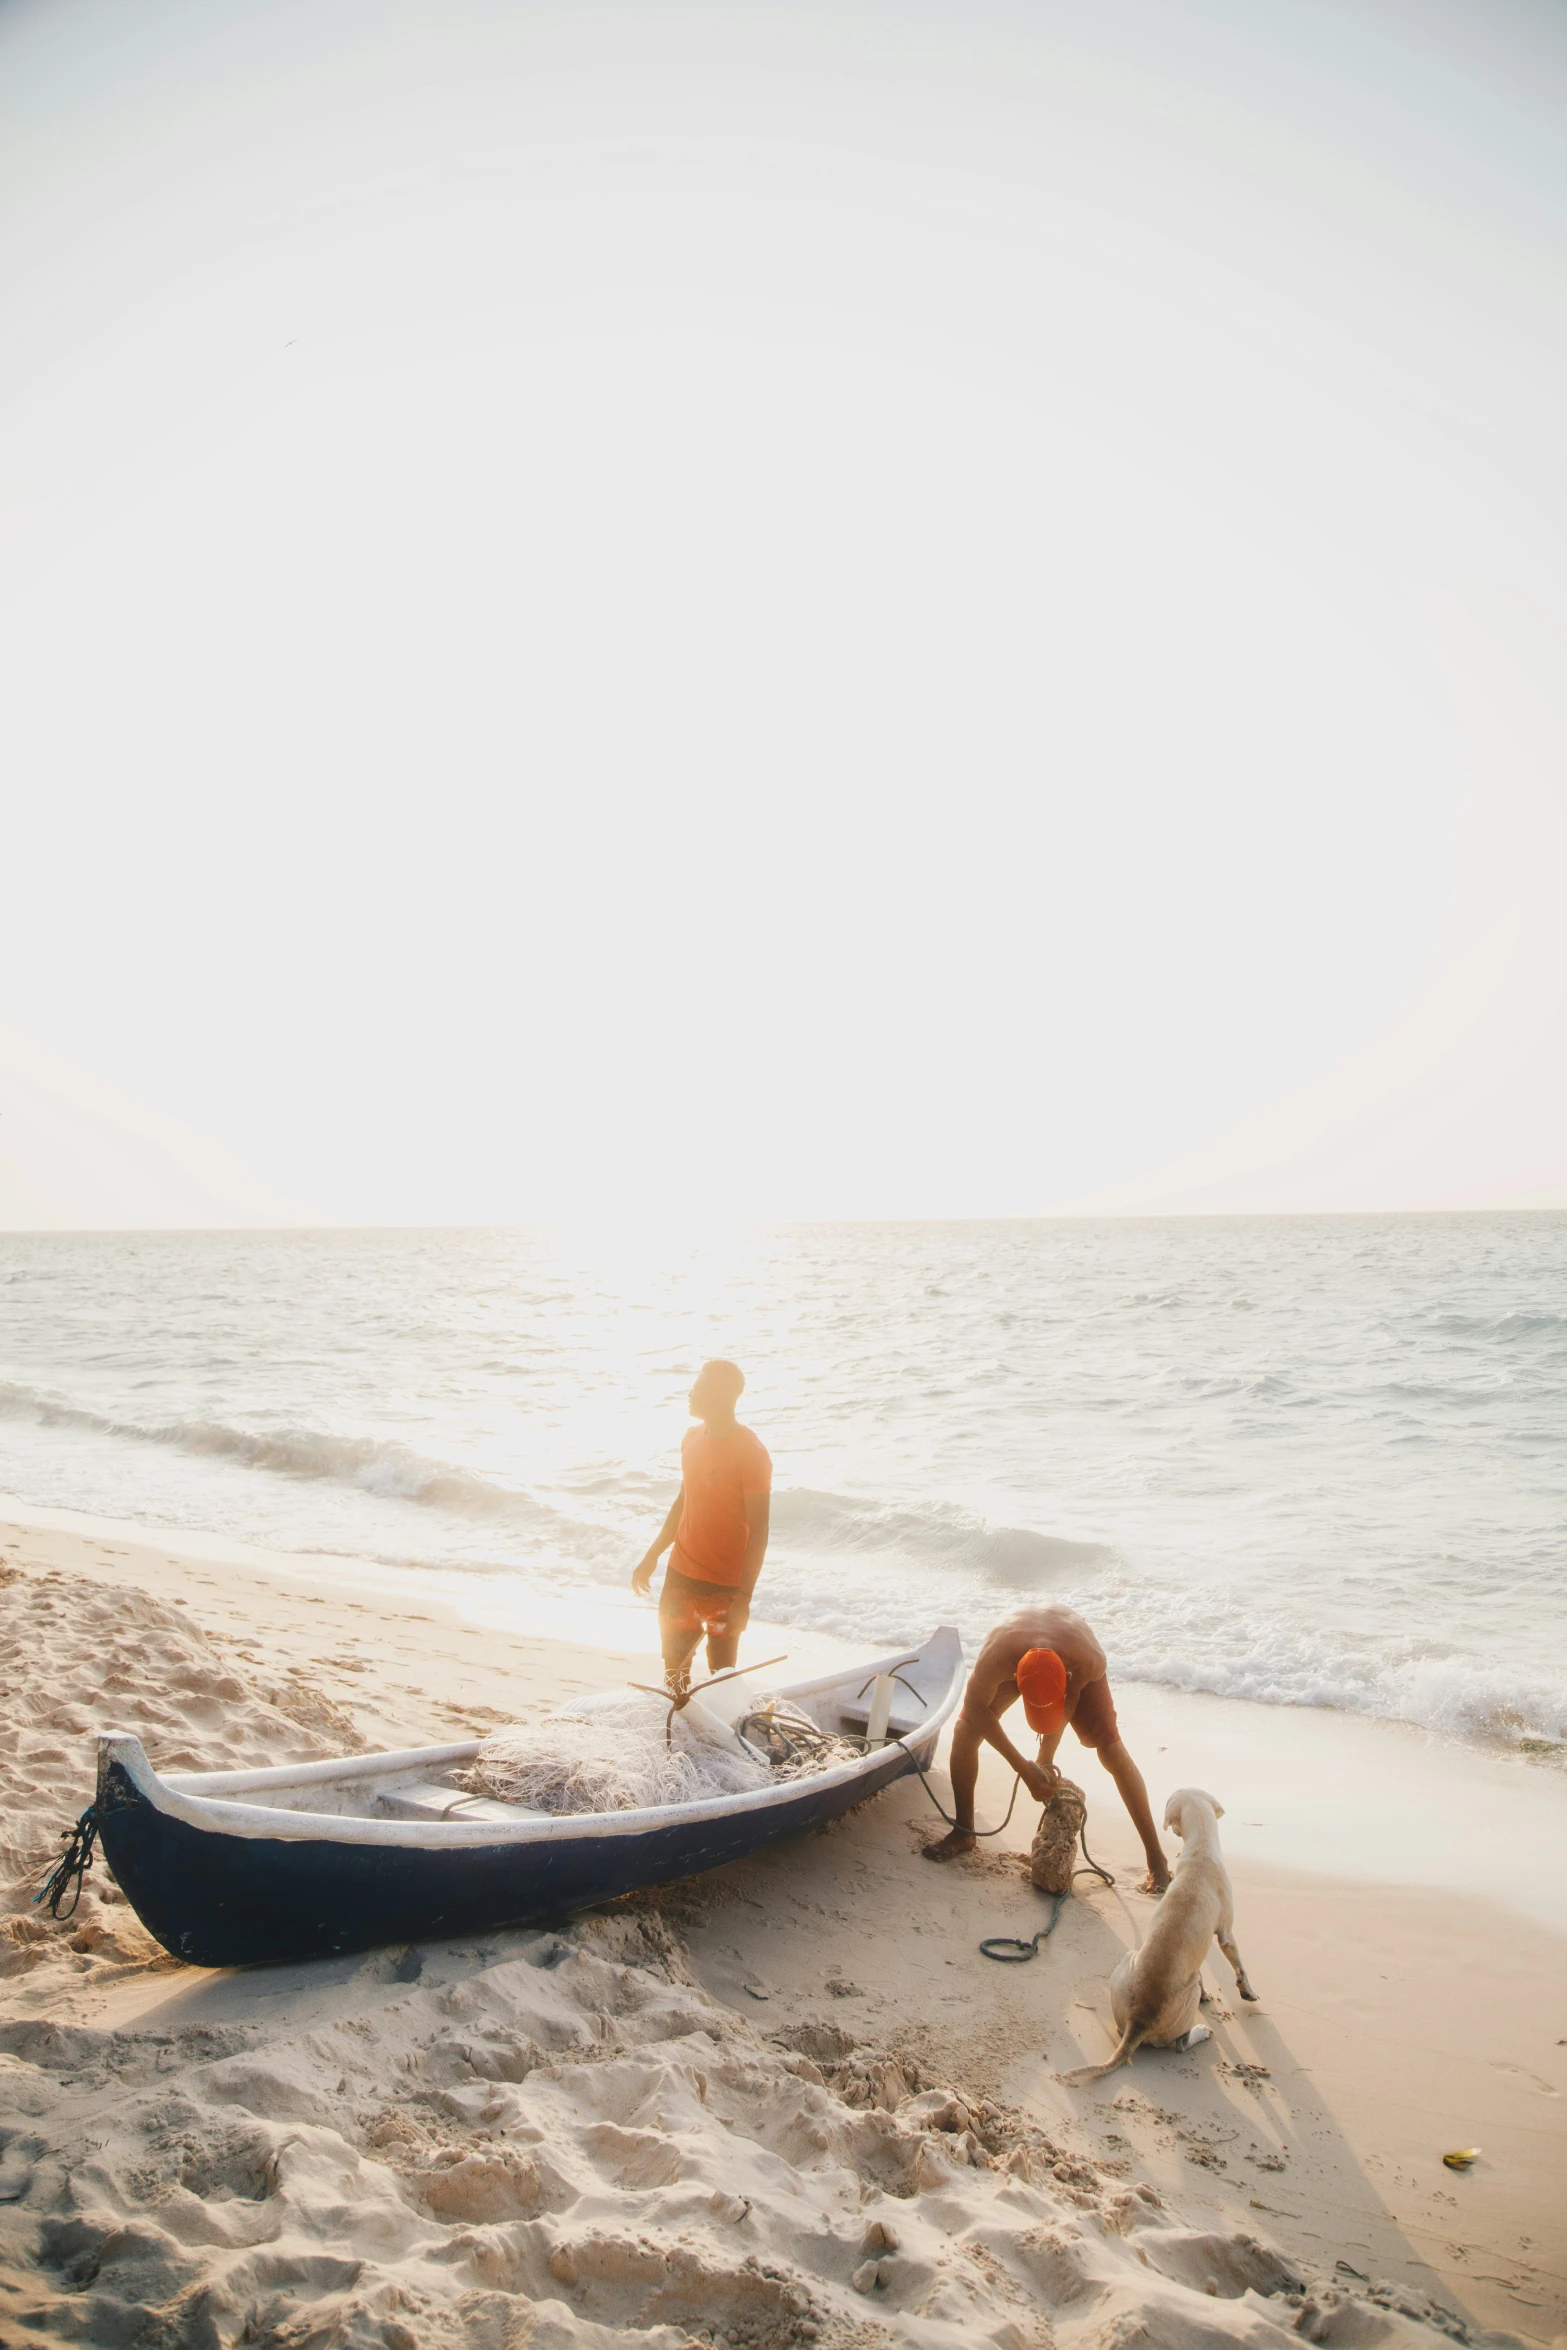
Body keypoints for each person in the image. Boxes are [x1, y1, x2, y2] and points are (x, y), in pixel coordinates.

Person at [921, 1604, 1170, 1892]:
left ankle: (1157, 1861)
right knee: (965, 1731)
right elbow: (976, 1709)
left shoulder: (1088, 1662)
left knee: (1111, 1751)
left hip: (1071, 1653)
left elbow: (1072, 1698)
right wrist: (1023, 1767)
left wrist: (1045, 1757)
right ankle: (964, 1831)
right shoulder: (997, 1659)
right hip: (1020, 1653)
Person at [631, 1359, 772, 1696]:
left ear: (722, 1396)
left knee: (720, 1677)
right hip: (681, 1575)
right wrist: (652, 1556)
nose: (691, 1394)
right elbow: (683, 1502)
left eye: (700, 1387)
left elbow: (761, 1530)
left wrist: (744, 1598)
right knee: (674, 1672)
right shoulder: (691, 1438)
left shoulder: (751, 1453)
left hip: (726, 1586)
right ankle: (680, 1738)